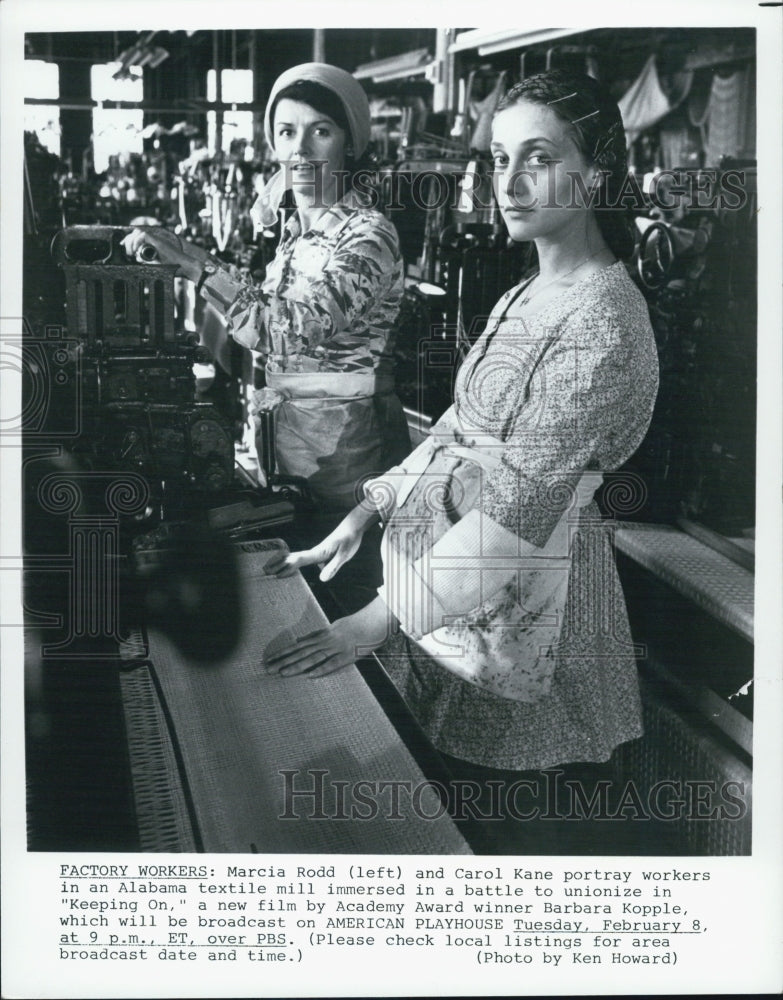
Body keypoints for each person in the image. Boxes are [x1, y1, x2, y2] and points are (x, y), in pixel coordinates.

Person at [263, 69, 660, 854]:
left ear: (597, 174)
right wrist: (367, 508)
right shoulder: (529, 291)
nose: (506, 182)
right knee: (453, 818)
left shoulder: (602, 320)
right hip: (460, 603)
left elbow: (519, 503)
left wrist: (377, 618)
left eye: (536, 156)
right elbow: (459, 427)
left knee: (513, 836)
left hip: (534, 613)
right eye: (497, 158)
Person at [122, 62, 410, 513]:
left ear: (350, 143)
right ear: (273, 142)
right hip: (289, 442)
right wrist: (183, 252)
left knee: (338, 577)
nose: (301, 150)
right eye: (287, 132)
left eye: (321, 132)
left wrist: (195, 268)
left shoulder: (368, 234)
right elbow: (265, 304)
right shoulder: (296, 231)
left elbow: (288, 329)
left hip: (349, 453)